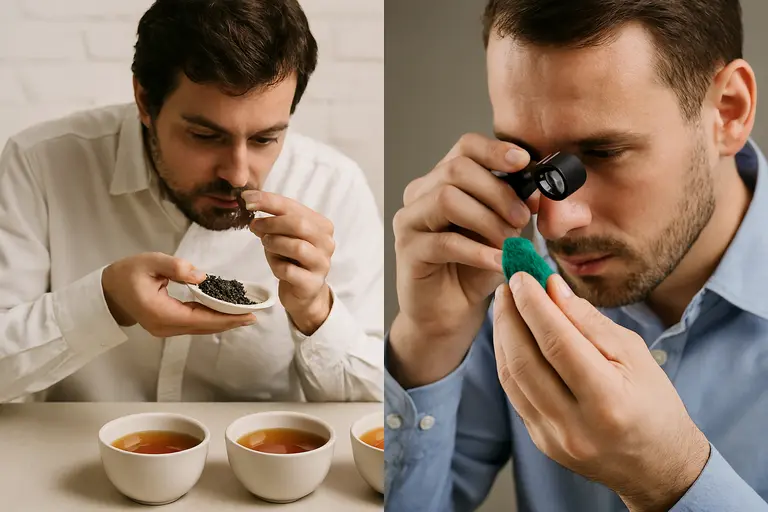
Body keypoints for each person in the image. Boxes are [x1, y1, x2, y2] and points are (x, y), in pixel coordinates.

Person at [385, 0, 768, 510]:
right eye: (530, 161)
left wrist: (671, 481)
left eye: (604, 154)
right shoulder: (502, 278)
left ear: (728, 111)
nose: (554, 222)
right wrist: (427, 340)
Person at [0, 0, 383, 403]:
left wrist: (316, 312)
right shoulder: (39, 165)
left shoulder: (334, 188)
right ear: (146, 102)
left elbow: (376, 415)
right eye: (205, 136)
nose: (237, 174)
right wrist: (106, 301)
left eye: (265, 139)